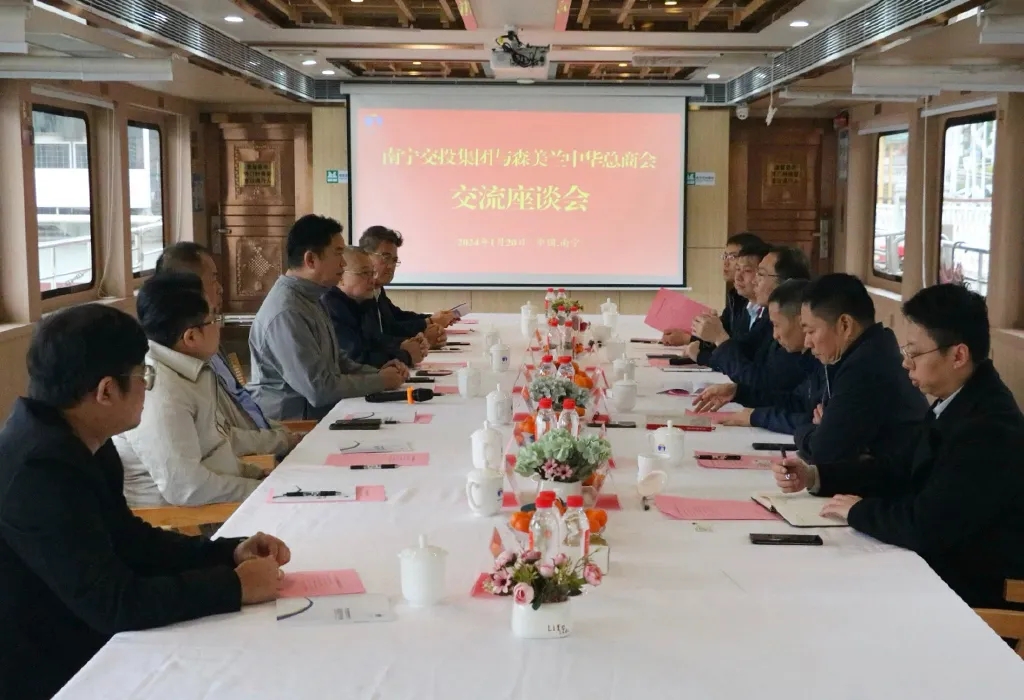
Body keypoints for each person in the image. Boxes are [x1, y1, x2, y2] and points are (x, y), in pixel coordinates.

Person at [0, 304, 289, 700]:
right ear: (106, 391)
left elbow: (131, 540)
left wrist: (228, 553)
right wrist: (233, 587)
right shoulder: (38, 472)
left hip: (84, 635)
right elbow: (113, 603)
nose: (147, 388)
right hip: (51, 669)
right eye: (143, 376)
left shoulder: (80, 437)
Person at [773, 284, 1024, 610]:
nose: (906, 364)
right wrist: (817, 476)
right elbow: (897, 468)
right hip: (938, 565)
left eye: (914, 354)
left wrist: (858, 512)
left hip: (972, 590)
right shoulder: (957, 401)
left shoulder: (989, 427)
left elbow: (927, 525)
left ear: (958, 356)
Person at [116, 273, 265, 506]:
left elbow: (215, 448)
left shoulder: (191, 371)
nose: (219, 326)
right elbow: (187, 488)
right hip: (185, 519)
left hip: (220, 501)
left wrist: (257, 476)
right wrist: (262, 491)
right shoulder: (160, 391)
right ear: (191, 336)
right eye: (214, 319)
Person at [249, 215, 406, 421]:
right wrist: (381, 381)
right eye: (338, 253)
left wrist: (377, 373)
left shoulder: (312, 297)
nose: (343, 263)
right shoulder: (287, 312)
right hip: (295, 425)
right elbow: (319, 389)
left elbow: (337, 361)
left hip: (323, 413)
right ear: (311, 260)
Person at [154, 242, 299, 458]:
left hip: (266, 443)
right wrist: (281, 440)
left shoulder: (208, 341)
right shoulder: (185, 359)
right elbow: (223, 436)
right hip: (254, 458)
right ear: (187, 287)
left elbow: (245, 408)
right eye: (213, 278)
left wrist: (282, 435)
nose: (220, 288)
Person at [794, 273, 928, 463]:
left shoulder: (866, 367)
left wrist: (805, 433)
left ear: (845, 325)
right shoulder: (874, 348)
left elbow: (824, 451)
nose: (807, 342)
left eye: (811, 331)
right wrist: (825, 430)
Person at [693, 279, 821, 431]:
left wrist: (757, 417)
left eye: (761, 275)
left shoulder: (825, 361)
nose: (775, 335)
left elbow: (818, 424)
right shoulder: (806, 354)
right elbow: (798, 402)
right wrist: (739, 392)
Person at [689, 245, 811, 394]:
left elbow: (763, 382)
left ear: (787, 283)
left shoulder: (795, 328)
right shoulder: (767, 318)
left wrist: (719, 338)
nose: (754, 282)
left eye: (761, 274)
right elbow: (744, 349)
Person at [322, 247, 429, 368]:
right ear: (340, 277)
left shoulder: (364, 301)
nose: (372, 280)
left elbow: (376, 340)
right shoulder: (331, 307)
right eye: (364, 273)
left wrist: (404, 343)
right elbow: (356, 359)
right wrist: (406, 356)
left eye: (372, 273)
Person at [662, 232, 763, 347]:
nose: (725, 263)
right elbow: (723, 335)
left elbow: (736, 346)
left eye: (732, 257)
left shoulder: (754, 303)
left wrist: (688, 339)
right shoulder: (736, 296)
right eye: (725, 256)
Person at [359, 225, 453, 345]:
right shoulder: (359, 293)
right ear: (365, 256)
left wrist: (432, 319)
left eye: (394, 260)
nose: (391, 266)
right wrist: (427, 328)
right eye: (386, 258)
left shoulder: (377, 288)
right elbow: (385, 333)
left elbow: (397, 317)